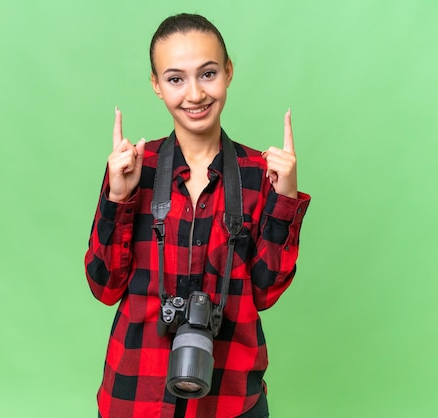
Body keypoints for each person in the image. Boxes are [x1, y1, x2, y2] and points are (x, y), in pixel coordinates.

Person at [85, 13, 311, 418]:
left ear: (228, 72)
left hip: (230, 395)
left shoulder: (260, 174)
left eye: (207, 74)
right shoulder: (137, 166)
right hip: (138, 393)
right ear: (156, 85)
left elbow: (266, 292)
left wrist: (285, 198)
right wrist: (119, 197)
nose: (194, 94)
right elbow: (103, 287)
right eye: (175, 79)